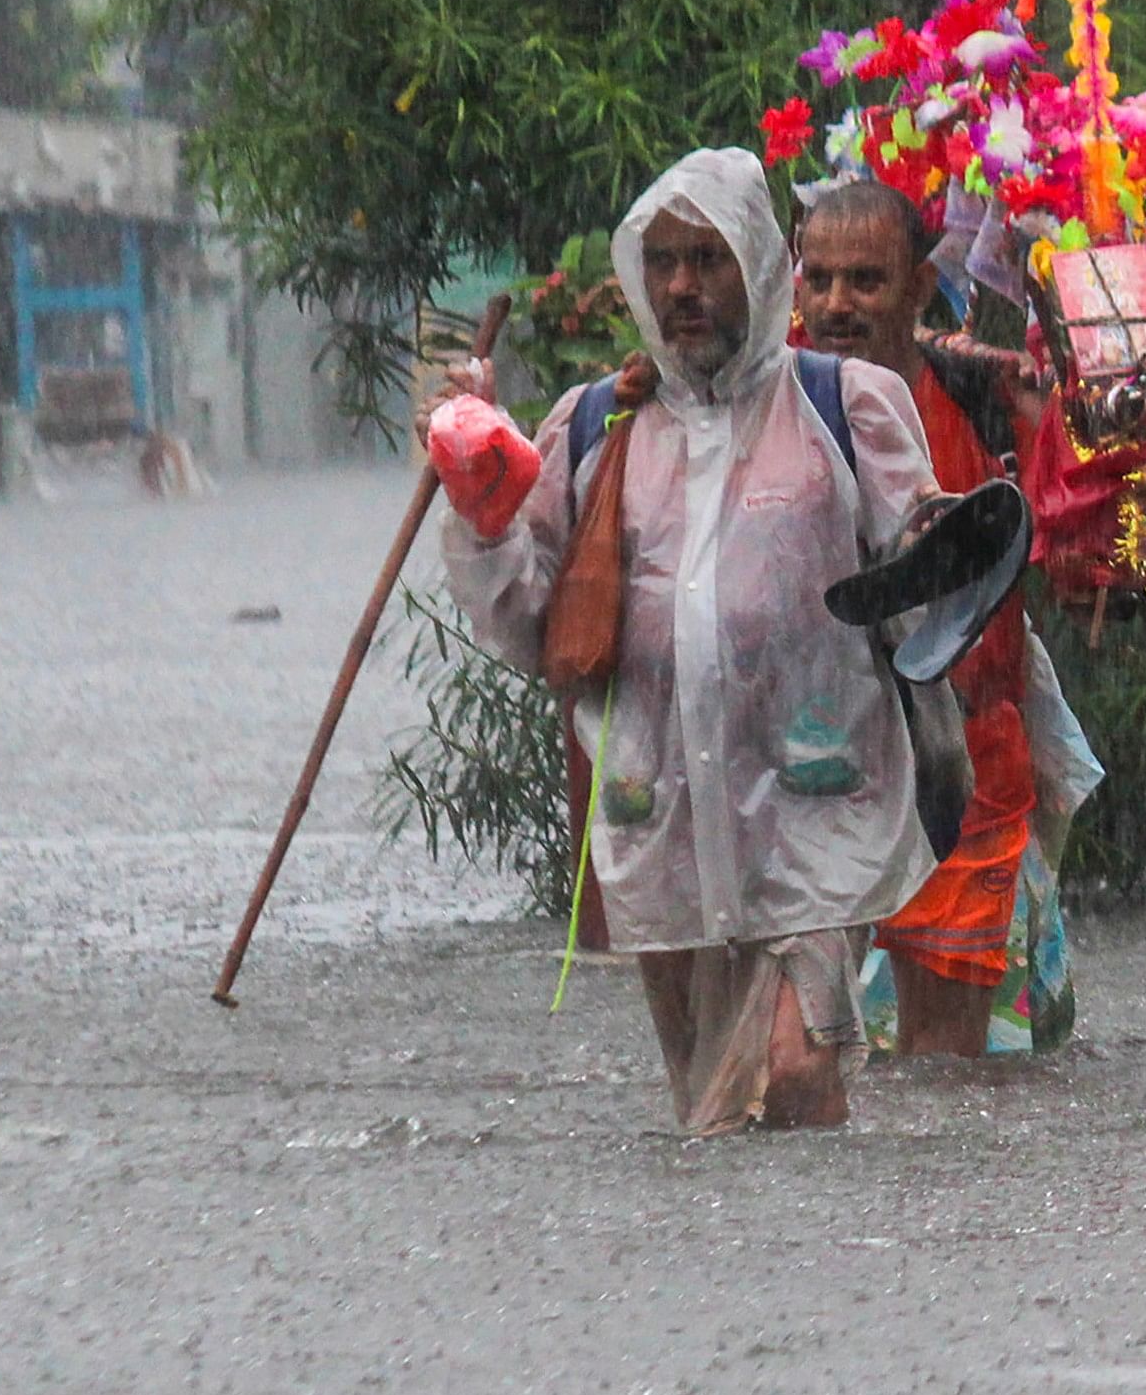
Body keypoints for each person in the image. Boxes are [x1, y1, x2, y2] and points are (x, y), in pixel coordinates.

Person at [431, 150, 945, 1134]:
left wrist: (943, 543)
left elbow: (924, 586)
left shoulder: (849, 406)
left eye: (707, 259)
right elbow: (521, 624)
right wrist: (483, 499)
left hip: (820, 815)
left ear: (758, 263)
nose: (682, 286)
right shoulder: (591, 426)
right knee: (709, 1117)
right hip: (661, 819)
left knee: (796, 1075)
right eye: (662, 262)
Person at [790, 179, 1104, 1055]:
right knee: (795, 1064)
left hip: (957, 774)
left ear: (920, 286)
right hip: (804, 779)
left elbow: (1091, 546)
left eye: (865, 280)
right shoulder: (762, 394)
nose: (836, 304)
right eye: (817, 280)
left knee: (946, 1076)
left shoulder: (991, 396)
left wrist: (1099, 418)